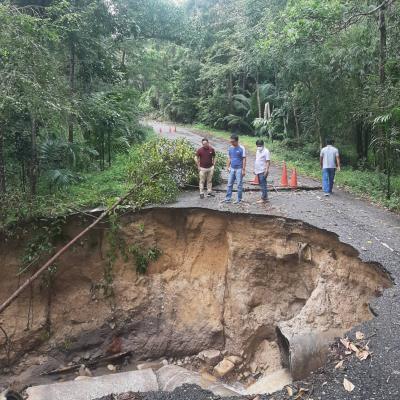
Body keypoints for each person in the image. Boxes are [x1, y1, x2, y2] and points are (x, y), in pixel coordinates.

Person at [223, 134, 246, 204]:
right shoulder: (230, 148)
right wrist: (227, 167)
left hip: (239, 169)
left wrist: (243, 170)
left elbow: (244, 159)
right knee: (229, 184)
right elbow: (230, 158)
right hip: (232, 169)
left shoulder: (242, 148)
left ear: (237, 141)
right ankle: (227, 198)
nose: (231, 143)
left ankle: (239, 199)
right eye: (231, 141)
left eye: (233, 141)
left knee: (239, 185)